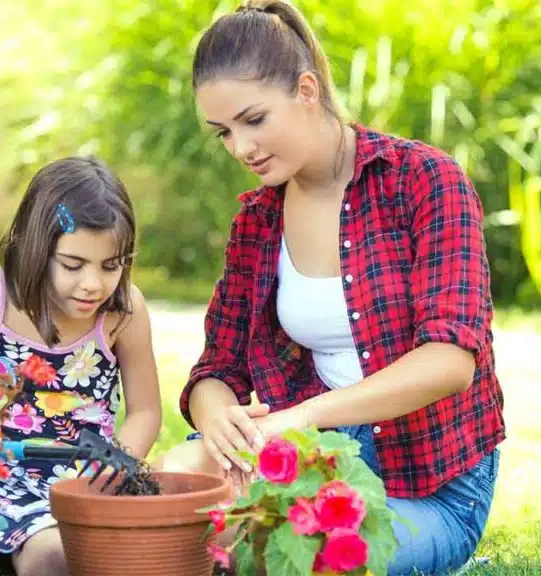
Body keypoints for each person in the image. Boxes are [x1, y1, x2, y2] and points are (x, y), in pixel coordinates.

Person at [157, 2, 505, 574]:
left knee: (303, 558)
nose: (241, 148)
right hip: (313, 462)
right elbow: (216, 367)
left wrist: (301, 417)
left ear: (307, 89)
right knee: (179, 474)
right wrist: (218, 414)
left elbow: (450, 362)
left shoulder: (423, 180)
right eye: (224, 132)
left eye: (254, 119)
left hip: (427, 484)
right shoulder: (257, 221)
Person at [0, 156, 163, 576]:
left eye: (110, 266)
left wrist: (116, 465)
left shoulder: (124, 311)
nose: (93, 283)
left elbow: (146, 411)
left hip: (88, 475)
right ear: (35, 250)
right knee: (54, 554)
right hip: (0, 475)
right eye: (73, 265)